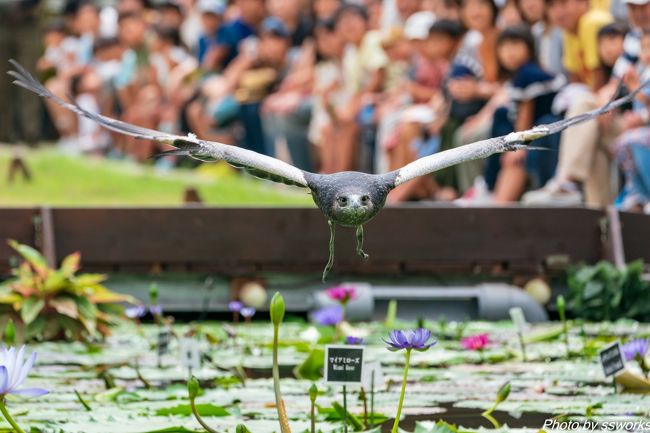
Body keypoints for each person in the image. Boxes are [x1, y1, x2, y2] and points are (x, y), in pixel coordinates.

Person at [484, 26, 565, 202]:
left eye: (515, 45)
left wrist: (518, 146)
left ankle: (497, 207)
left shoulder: (528, 72)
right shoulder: (518, 75)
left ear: (529, 48)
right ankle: (490, 190)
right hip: (536, 129)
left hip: (548, 128)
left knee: (515, 161)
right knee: (501, 115)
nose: (509, 52)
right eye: (504, 47)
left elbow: (526, 112)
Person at [613, 29, 650, 213]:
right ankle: (637, 194)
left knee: (632, 140)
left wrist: (635, 87)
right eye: (644, 48)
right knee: (622, 143)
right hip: (640, 132)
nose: (648, 53)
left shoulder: (640, 79)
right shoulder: (643, 73)